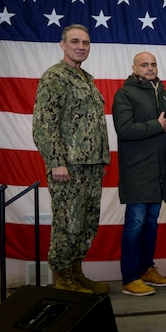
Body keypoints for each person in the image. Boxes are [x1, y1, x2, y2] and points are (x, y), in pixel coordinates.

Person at [32, 24, 111, 294]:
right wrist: (56, 162)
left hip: (91, 164)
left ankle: (76, 272)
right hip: (69, 165)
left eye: (86, 43)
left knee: (87, 222)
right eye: (75, 41)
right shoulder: (55, 77)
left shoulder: (86, 79)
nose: (81, 46)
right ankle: (63, 276)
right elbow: (44, 123)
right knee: (68, 221)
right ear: (63, 45)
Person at [112, 52, 166, 296]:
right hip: (137, 171)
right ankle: (129, 278)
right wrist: (156, 126)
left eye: (153, 64)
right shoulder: (125, 94)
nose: (150, 68)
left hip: (160, 171)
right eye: (144, 65)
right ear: (134, 68)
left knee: (150, 224)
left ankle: (147, 268)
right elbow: (124, 129)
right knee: (135, 224)